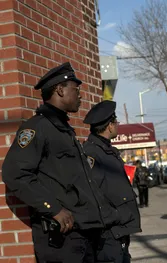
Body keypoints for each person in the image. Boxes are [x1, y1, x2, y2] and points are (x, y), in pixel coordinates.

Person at [2, 62, 124, 263]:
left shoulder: (64, 130)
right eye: (76, 90)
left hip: (84, 234)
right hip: (64, 241)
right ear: (59, 90)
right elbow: (14, 173)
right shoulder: (38, 127)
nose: (80, 95)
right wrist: (53, 209)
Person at [83, 100, 141, 263]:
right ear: (109, 126)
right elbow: (91, 192)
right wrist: (114, 216)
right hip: (108, 233)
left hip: (118, 231)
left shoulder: (106, 150)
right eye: (116, 122)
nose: (117, 125)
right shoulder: (92, 153)